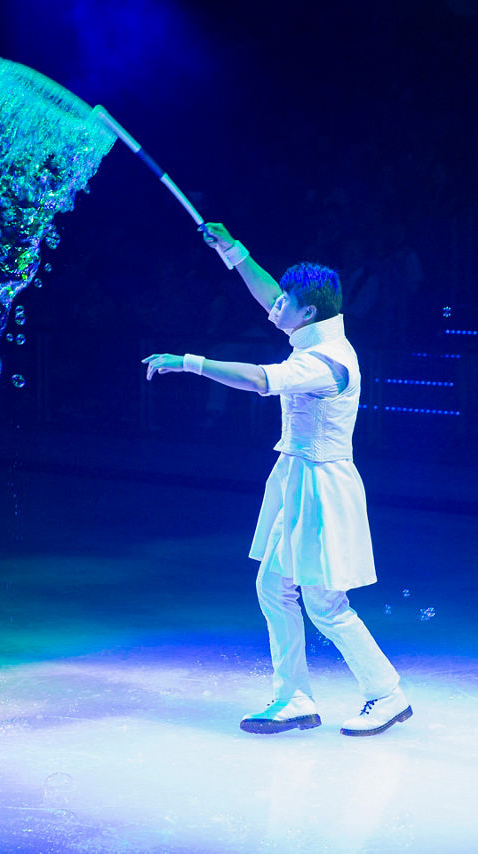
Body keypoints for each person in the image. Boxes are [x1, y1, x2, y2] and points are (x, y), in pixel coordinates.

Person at [141, 222, 412, 737]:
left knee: (326, 605)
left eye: (285, 302)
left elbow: (261, 380)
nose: (275, 307)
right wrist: (235, 252)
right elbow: (272, 293)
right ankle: (294, 698)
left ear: (307, 311)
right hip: (296, 474)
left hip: (323, 485)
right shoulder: (314, 326)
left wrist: (189, 362)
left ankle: (387, 693)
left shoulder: (326, 361)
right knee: (273, 585)